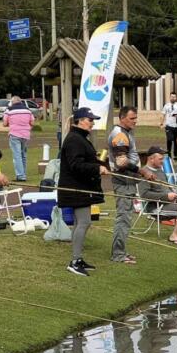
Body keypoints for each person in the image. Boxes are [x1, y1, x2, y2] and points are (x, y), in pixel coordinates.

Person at [58, 108, 109, 277]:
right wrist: (97, 168)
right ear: (80, 120)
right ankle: (74, 261)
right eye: (90, 119)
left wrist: (103, 165)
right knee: (84, 222)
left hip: (81, 188)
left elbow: (88, 160)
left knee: (82, 222)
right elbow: (75, 164)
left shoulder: (80, 138)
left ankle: (77, 259)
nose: (93, 122)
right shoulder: (74, 139)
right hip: (75, 188)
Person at [109, 106, 153, 265]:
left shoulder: (125, 133)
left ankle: (121, 251)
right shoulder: (120, 135)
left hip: (128, 181)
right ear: (122, 118)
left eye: (136, 118)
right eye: (132, 118)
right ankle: (118, 254)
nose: (135, 121)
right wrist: (142, 171)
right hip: (123, 181)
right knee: (123, 218)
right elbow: (121, 162)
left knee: (126, 217)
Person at [3, 96, 34, 182]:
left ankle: (20, 176)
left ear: (12, 102)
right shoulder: (28, 110)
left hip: (14, 134)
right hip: (25, 135)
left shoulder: (9, 110)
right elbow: (32, 122)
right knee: (23, 155)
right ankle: (23, 174)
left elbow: (5, 124)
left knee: (17, 156)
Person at [160, 92, 177, 160]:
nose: (173, 98)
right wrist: (162, 123)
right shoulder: (166, 105)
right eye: (172, 97)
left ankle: (175, 155)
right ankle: (169, 154)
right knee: (169, 139)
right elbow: (163, 114)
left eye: (174, 97)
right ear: (170, 97)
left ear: (176, 98)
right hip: (169, 126)